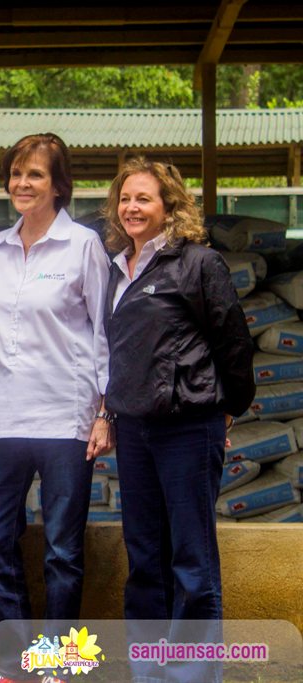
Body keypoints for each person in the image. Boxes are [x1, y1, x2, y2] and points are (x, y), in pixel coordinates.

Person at [0, 133, 112, 683]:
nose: (21, 184)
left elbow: (105, 333)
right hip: (3, 417)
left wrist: (104, 412)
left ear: (59, 185)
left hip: (66, 418)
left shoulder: (83, 246)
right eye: (15, 173)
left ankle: (56, 665)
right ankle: (16, 660)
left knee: (61, 548)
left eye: (34, 174)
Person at [103, 159, 253, 642]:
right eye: (125, 199)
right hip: (135, 428)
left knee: (191, 556)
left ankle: (193, 671)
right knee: (144, 553)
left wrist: (225, 408)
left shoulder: (197, 263)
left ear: (169, 206)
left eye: (143, 198)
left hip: (187, 427)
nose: (131, 207)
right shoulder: (116, 268)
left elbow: (233, 343)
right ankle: (149, 665)